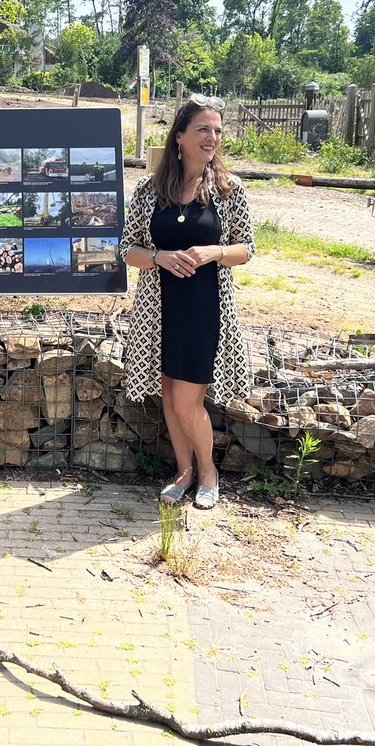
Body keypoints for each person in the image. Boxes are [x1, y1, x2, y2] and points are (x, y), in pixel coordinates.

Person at [120, 95, 254, 510]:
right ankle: (183, 472)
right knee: (167, 392)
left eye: (217, 130)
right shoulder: (149, 190)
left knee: (185, 400)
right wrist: (159, 257)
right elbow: (128, 249)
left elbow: (246, 249)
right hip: (159, 311)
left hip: (205, 307)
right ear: (179, 137)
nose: (212, 138)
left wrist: (214, 251)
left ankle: (208, 472)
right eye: (203, 129)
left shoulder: (229, 191)